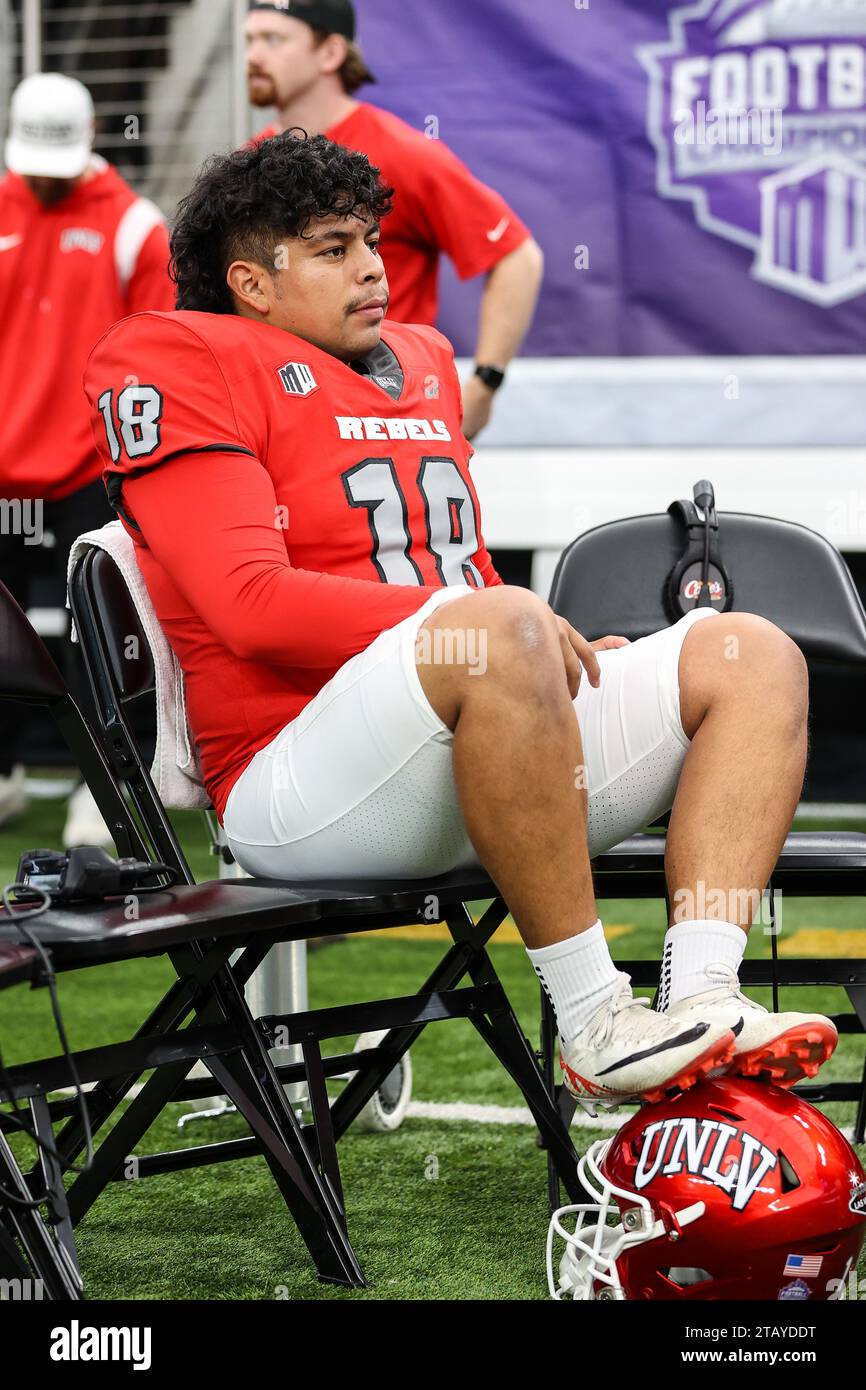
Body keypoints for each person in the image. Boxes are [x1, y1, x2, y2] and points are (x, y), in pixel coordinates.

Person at [83, 132, 835, 1108]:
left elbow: (460, 576)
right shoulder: (179, 356)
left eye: (369, 239)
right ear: (250, 283)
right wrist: (495, 632)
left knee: (748, 653)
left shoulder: (421, 358)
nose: (369, 267)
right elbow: (250, 605)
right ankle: (595, 1022)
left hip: (468, 750)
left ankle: (700, 997)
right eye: (330, 247)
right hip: (297, 781)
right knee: (496, 624)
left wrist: (529, 653)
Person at [0, 72, 174, 842]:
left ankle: (103, 781)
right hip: (1, 466)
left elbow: (158, 355)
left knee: (96, 635)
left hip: (88, 468)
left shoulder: (136, 227)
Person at [245, 0, 544, 441]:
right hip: (282, 414)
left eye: (274, 39)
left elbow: (518, 256)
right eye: (249, 40)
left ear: (330, 53)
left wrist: (485, 383)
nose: (253, 55)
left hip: (385, 416)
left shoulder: (400, 152)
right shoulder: (251, 161)